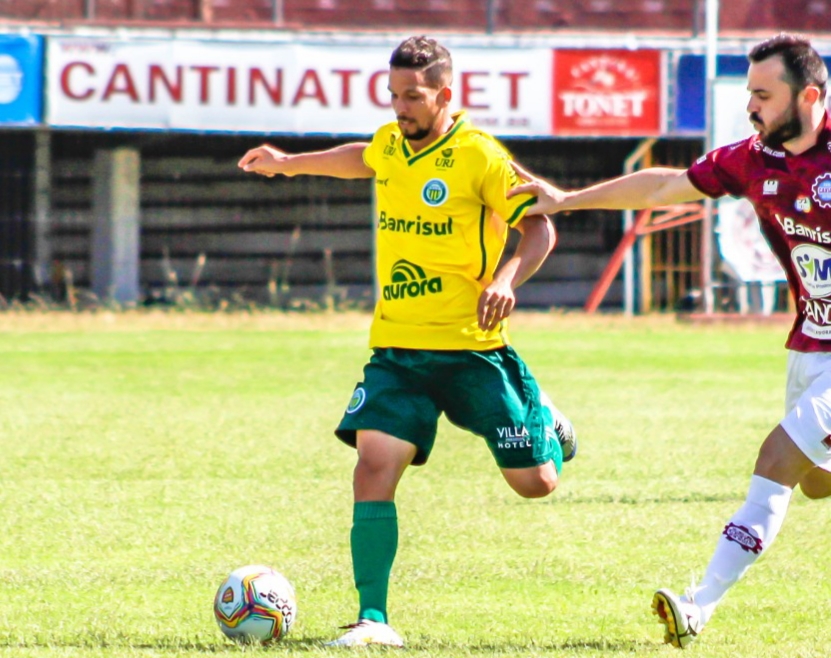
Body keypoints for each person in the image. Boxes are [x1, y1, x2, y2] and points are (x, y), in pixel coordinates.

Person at [238, 35, 577, 647]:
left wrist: (505, 279)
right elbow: (362, 157)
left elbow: (540, 228)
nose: (401, 108)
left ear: (446, 95)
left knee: (535, 485)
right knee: (373, 469)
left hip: (474, 350)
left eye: (414, 97)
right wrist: (287, 162)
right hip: (397, 351)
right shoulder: (392, 143)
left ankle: (547, 424)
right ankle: (373, 619)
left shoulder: (480, 156)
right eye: (394, 95)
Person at [508, 32, 831, 650]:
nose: (750, 105)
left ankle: (698, 604)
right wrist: (568, 200)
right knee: (816, 481)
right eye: (748, 93)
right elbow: (661, 188)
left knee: (777, 460)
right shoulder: (752, 160)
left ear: (810, 96)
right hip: (810, 348)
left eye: (763, 94)